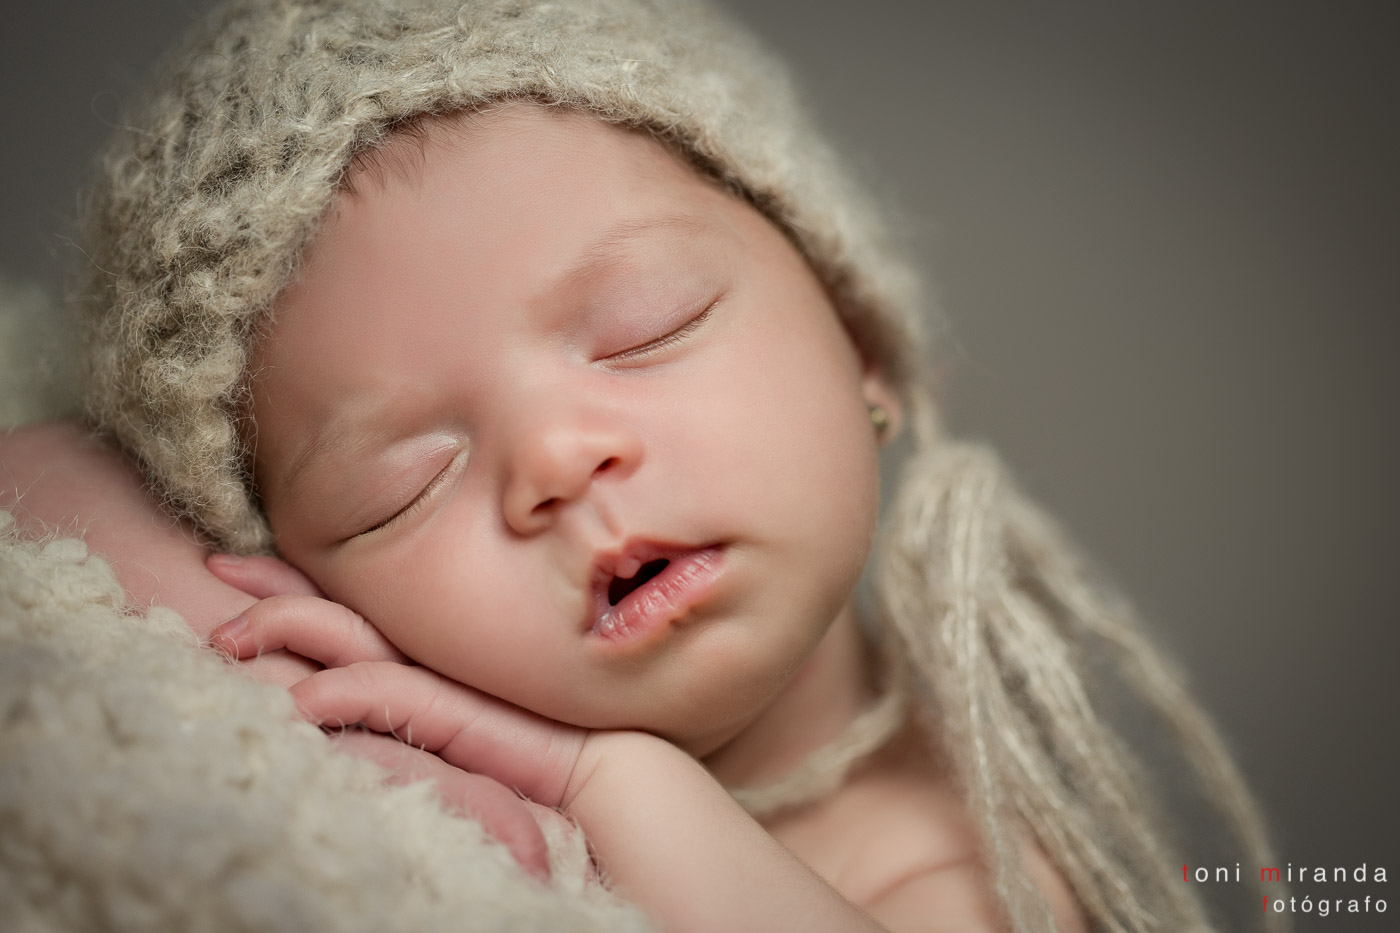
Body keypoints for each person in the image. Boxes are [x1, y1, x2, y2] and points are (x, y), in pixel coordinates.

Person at [0, 0, 1284, 930]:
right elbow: (35, 467)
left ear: (861, 344)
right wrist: (263, 642)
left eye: (645, 328)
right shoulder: (357, 757)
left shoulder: (967, 861)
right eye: (403, 483)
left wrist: (601, 783)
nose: (558, 462)